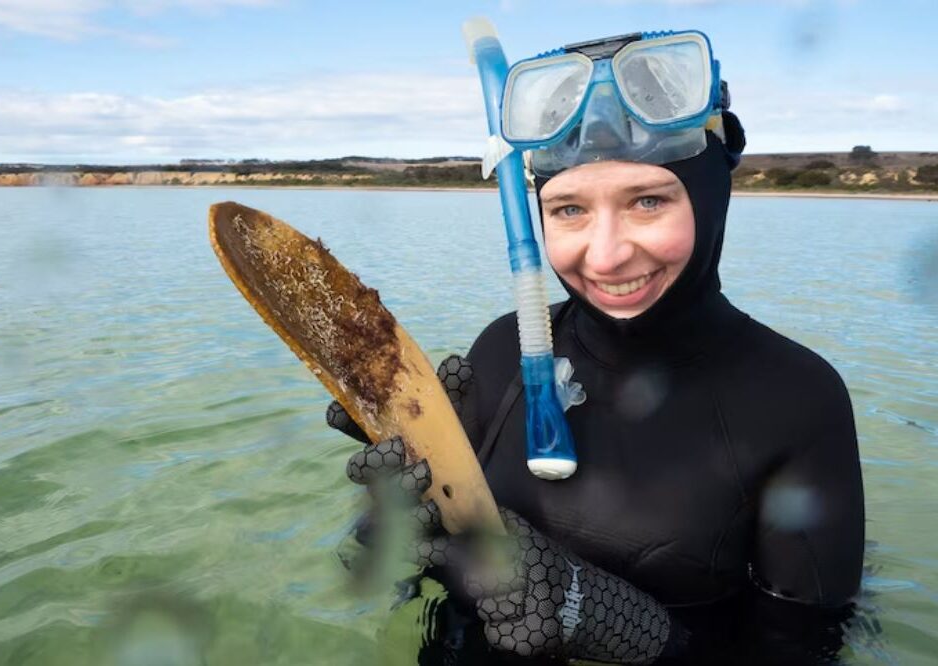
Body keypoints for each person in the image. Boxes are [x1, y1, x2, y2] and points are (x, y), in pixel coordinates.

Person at [328, 29, 864, 664]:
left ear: (713, 192)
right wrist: (396, 527)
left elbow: (808, 650)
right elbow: (425, 575)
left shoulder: (795, 399)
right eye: (569, 211)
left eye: (647, 201)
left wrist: (634, 632)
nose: (606, 256)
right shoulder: (503, 349)